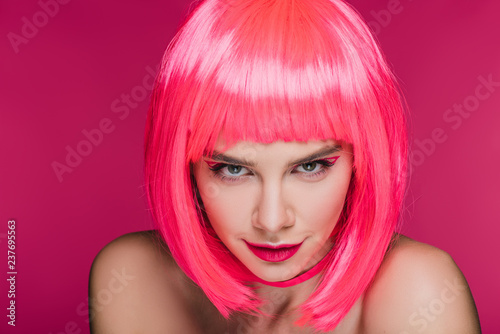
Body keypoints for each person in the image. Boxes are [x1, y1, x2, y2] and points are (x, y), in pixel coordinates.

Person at [88, 0, 481, 332]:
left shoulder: (419, 291)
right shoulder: (133, 279)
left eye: (310, 167)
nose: (272, 221)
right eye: (233, 170)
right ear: (183, 166)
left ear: (362, 159)